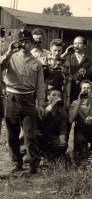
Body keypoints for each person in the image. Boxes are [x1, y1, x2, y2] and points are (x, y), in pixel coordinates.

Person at [0, 29, 45, 174]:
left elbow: (40, 86)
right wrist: (8, 52)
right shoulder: (11, 57)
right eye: (21, 42)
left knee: (30, 134)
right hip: (11, 97)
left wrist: (42, 104)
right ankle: (16, 162)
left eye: (27, 42)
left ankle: (33, 166)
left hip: (28, 100)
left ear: (32, 44)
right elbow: (0, 66)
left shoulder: (37, 63)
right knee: (11, 133)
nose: (24, 44)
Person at [69, 80, 92, 158]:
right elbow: (71, 119)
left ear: (91, 91)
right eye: (84, 88)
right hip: (81, 127)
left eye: (88, 88)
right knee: (80, 154)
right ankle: (82, 152)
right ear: (81, 90)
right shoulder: (75, 102)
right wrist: (79, 102)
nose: (85, 90)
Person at [38, 87, 68, 161]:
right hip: (40, 135)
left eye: (59, 95)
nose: (56, 97)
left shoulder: (62, 111)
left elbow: (63, 129)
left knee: (63, 145)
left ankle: (48, 156)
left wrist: (62, 140)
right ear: (48, 97)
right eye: (54, 95)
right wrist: (52, 105)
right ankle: (38, 155)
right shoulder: (42, 107)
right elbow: (41, 117)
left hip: (52, 137)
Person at [61, 36, 92, 103]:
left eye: (79, 43)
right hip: (69, 89)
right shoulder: (68, 57)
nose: (76, 45)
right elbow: (58, 61)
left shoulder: (89, 60)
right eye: (75, 43)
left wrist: (85, 73)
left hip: (83, 89)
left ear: (84, 46)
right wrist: (66, 53)